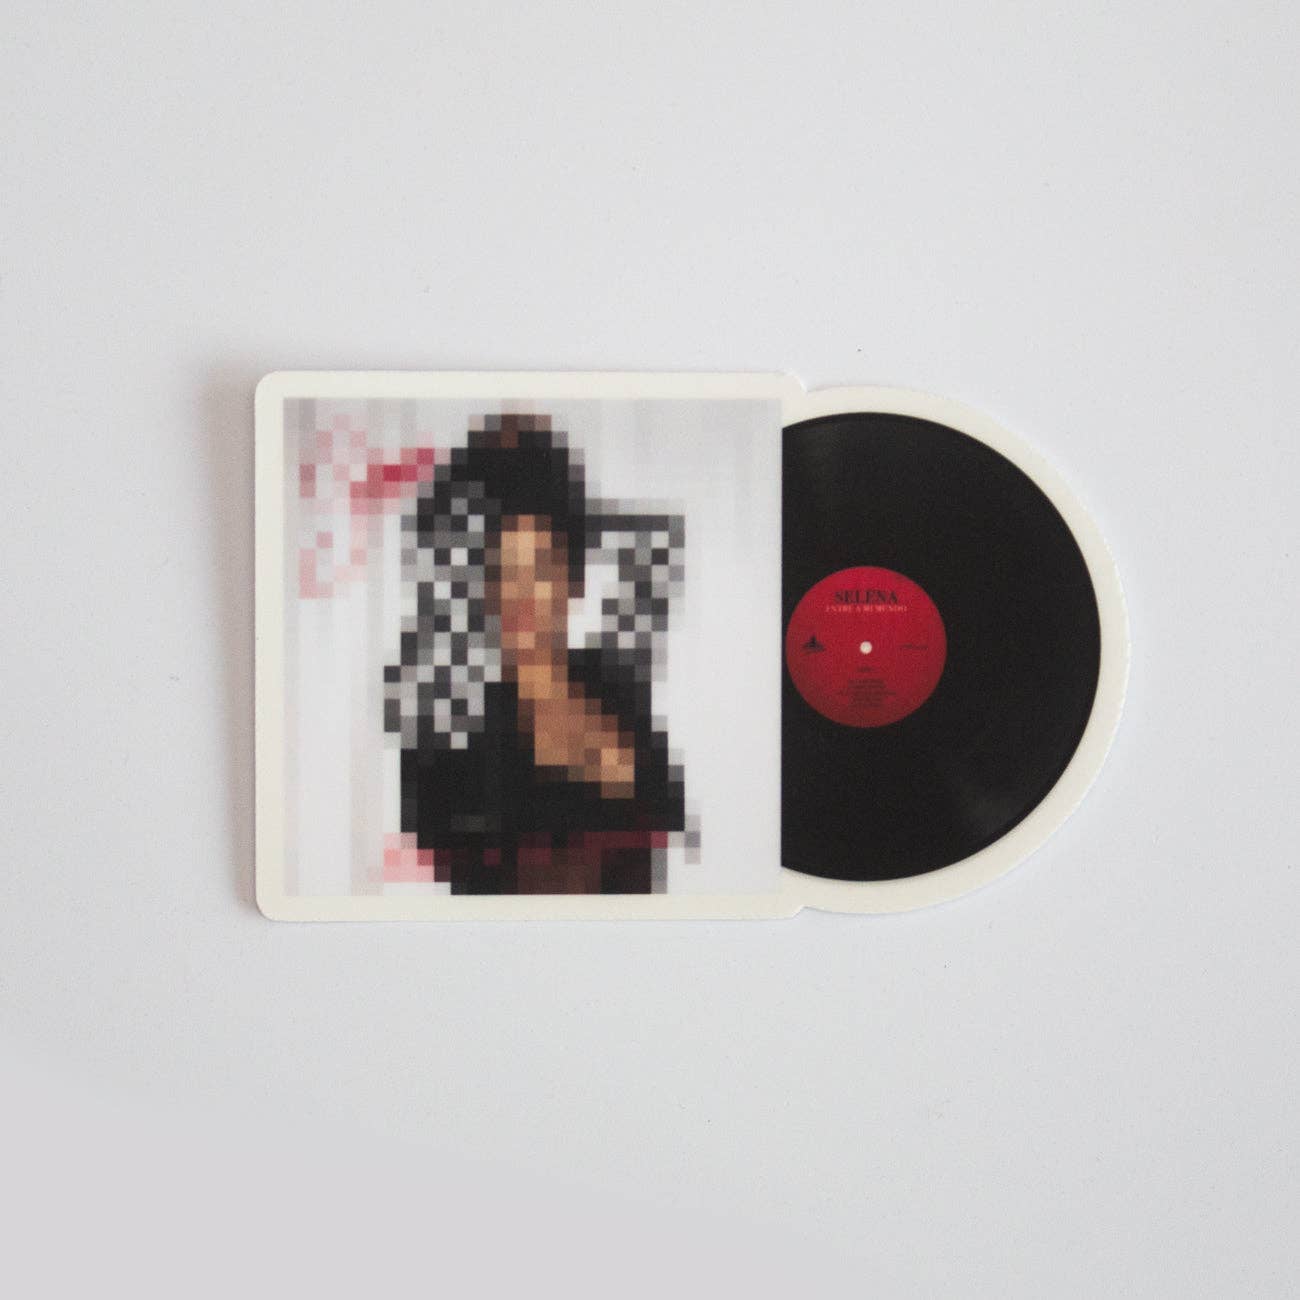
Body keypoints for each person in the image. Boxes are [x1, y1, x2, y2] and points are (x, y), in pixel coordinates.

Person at [384, 413, 685, 893]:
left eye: (541, 566)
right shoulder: (447, 736)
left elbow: (669, 831)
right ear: (477, 586)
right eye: (502, 569)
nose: (523, 596)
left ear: (573, 578)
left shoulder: (618, 691)